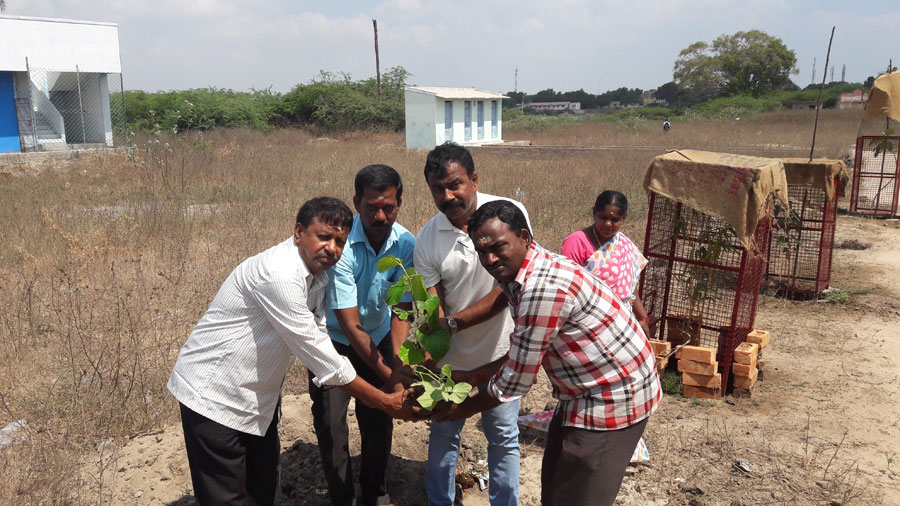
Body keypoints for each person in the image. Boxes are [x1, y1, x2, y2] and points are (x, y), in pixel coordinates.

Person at [167, 197, 413, 506]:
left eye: (340, 242)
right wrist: (382, 400)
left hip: (257, 400)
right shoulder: (280, 273)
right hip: (214, 395)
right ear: (298, 233)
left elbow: (320, 334)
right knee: (225, 497)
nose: (332, 248)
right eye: (323, 237)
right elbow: (315, 349)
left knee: (263, 490)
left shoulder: (318, 276)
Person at [439, 200, 661, 506]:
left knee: (579, 496)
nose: (489, 259)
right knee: (557, 486)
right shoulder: (520, 272)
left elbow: (515, 381)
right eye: (482, 251)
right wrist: (469, 376)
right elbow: (525, 351)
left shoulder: (542, 287)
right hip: (582, 390)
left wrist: (460, 409)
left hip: (614, 396)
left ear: (524, 237)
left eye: (498, 247)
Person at [414, 142, 528, 506]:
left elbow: (509, 288)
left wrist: (454, 323)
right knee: (443, 431)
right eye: (437, 189)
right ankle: (440, 502)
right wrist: (431, 353)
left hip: (501, 353)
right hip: (452, 362)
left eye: (455, 184)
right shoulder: (427, 240)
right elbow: (433, 307)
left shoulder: (509, 215)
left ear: (474, 180)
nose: (447, 196)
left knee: (503, 437)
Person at [310, 166, 415, 506]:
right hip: (335, 341)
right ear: (356, 203)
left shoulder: (406, 244)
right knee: (331, 423)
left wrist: (398, 363)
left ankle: (374, 492)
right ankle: (342, 497)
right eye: (371, 207)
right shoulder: (341, 245)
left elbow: (401, 310)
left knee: (379, 421)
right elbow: (350, 324)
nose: (380, 216)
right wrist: (389, 375)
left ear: (399, 203)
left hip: (379, 334)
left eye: (388, 207)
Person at [560, 191, 652, 337]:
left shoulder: (623, 243)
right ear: (594, 213)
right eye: (603, 218)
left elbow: (630, 286)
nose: (608, 224)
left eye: (615, 220)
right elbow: (567, 288)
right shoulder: (577, 242)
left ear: (623, 219)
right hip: (586, 322)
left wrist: (642, 318)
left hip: (621, 319)